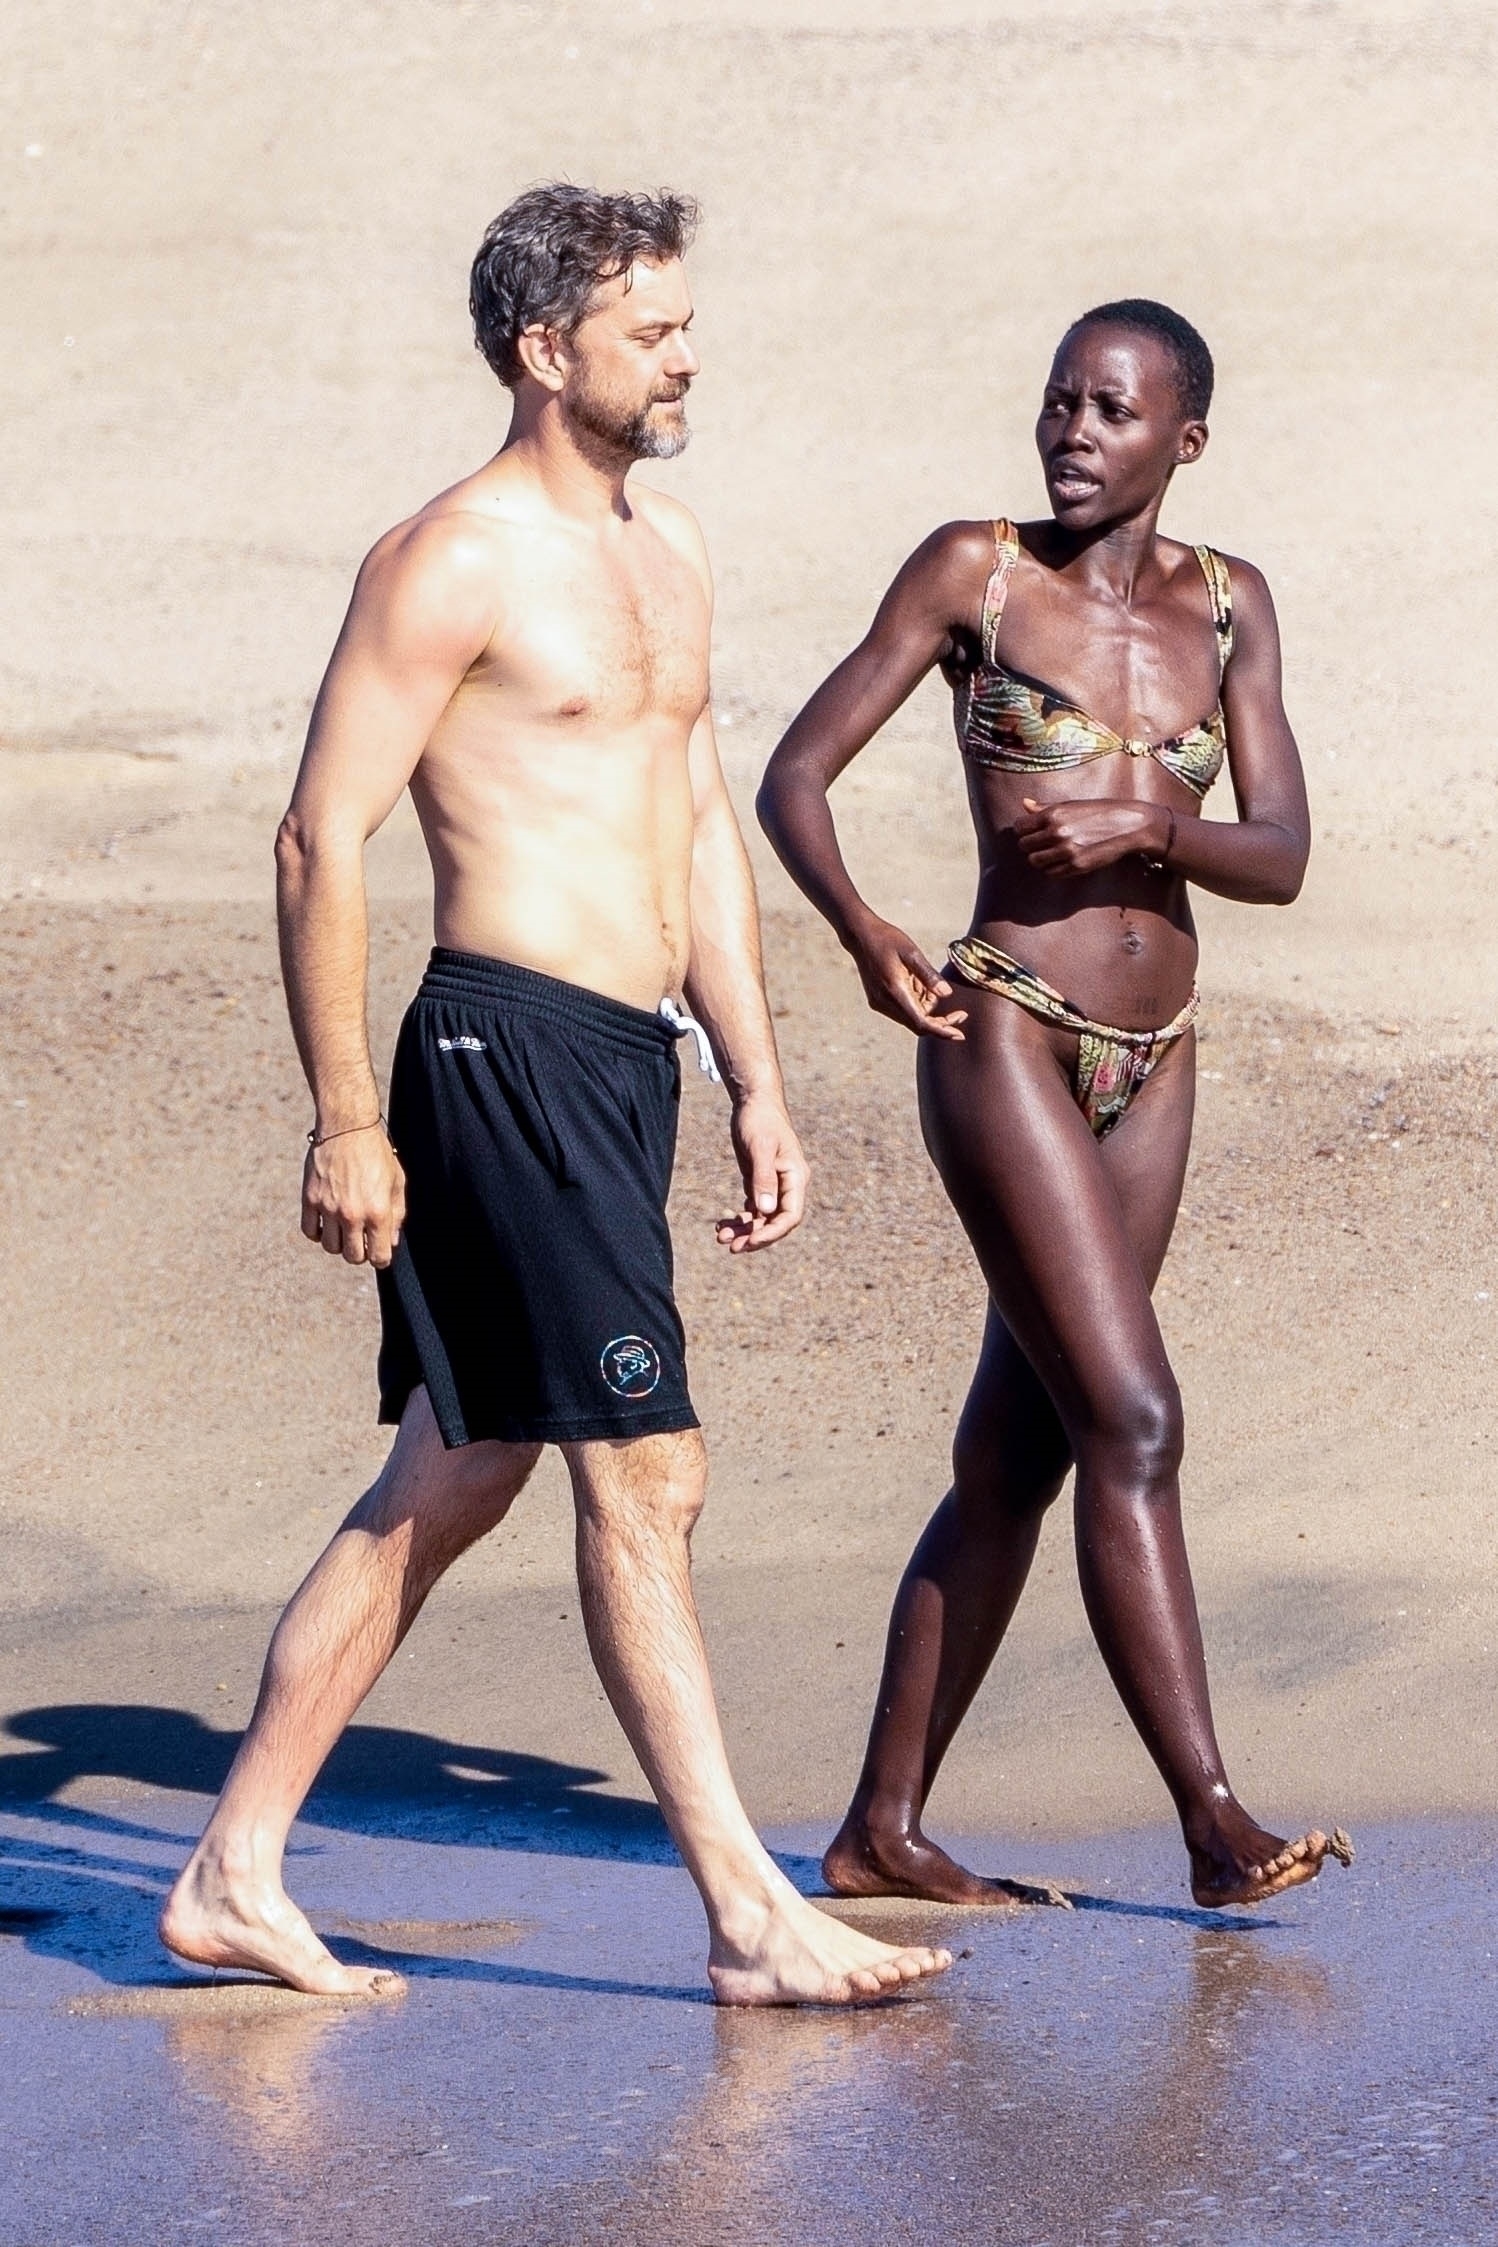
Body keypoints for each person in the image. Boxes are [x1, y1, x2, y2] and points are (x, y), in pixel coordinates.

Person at [159, 184, 949, 2006]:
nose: (686, 353)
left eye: (682, 322)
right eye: (651, 329)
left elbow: (688, 826)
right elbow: (315, 839)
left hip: (622, 1062)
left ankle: (231, 1871)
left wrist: (751, 1072)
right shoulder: (448, 560)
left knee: (459, 1464)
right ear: (543, 351)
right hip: (492, 1047)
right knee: (644, 1468)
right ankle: (747, 1913)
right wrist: (344, 1118)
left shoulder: (666, 548)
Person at [757, 300, 1352, 1908]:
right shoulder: (977, 572)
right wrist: (867, 934)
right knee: (1135, 1421)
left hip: (1153, 1062)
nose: (1072, 432)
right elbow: (792, 774)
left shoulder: (1230, 607)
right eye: (1057, 402)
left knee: (1021, 1457)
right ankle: (1213, 1822)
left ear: (1182, 439)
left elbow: (1281, 855)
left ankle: (879, 1828)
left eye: (1110, 409)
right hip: (1003, 1031)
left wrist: (1144, 831)